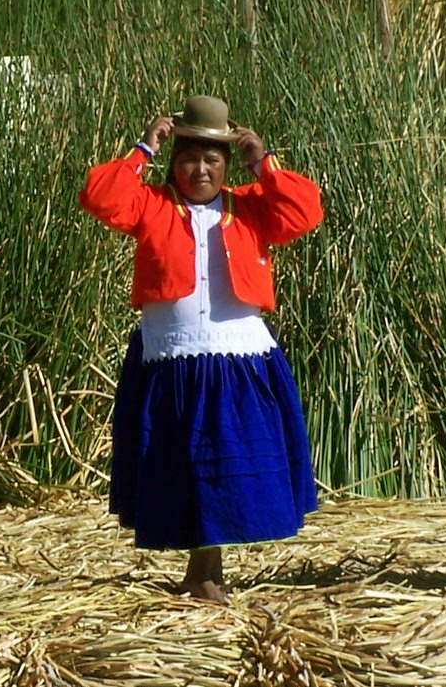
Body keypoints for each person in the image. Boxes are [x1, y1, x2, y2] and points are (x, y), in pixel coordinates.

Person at [79, 95, 324, 603]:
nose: (200, 170)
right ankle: (202, 574)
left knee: (223, 466)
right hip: (170, 359)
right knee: (182, 463)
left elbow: (305, 211)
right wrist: (144, 147)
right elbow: (100, 197)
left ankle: (206, 573)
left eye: (212, 159)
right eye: (189, 158)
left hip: (237, 361)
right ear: (174, 161)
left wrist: (264, 162)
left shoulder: (251, 208)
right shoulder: (151, 204)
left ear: (227, 166)